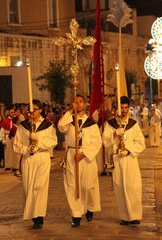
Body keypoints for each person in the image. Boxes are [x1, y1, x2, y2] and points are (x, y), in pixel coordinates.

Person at [58, 94, 102, 228]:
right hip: (72, 155)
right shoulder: (69, 121)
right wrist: (70, 111)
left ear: (85, 104)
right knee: (72, 186)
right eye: (76, 102)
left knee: (87, 186)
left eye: (81, 102)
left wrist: (83, 154)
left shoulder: (91, 124)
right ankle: (76, 215)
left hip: (86, 157)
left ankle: (89, 207)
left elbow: (97, 142)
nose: (78, 104)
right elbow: (60, 126)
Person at [13, 99, 57, 229]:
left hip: (42, 157)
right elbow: (16, 145)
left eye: (35, 109)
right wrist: (27, 149)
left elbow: (52, 141)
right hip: (28, 158)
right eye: (30, 110)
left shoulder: (47, 125)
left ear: (40, 110)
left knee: (40, 186)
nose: (32, 112)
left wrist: (38, 143)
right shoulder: (23, 126)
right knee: (28, 186)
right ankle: (33, 214)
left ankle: (39, 215)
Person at [102, 96, 146, 226]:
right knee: (120, 187)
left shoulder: (133, 124)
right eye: (122, 107)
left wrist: (129, 150)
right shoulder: (111, 124)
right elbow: (105, 142)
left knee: (133, 186)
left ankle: (135, 215)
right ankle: (124, 216)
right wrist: (115, 134)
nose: (124, 110)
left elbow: (141, 143)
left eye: (126, 107)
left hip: (130, 159)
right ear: (117, 108)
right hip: (117, 159)